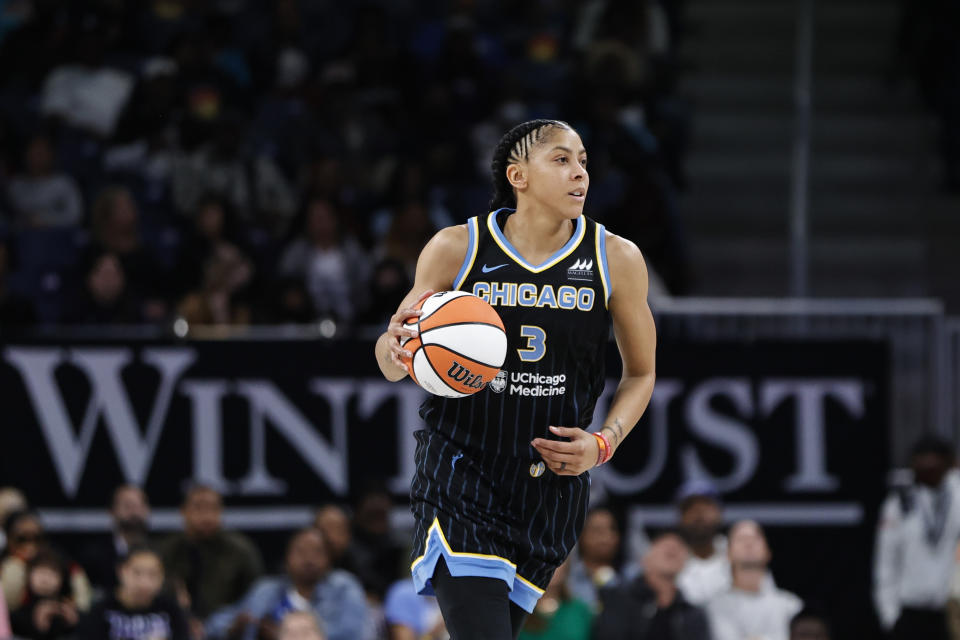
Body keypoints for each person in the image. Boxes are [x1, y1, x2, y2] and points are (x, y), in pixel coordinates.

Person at [374, 119, 657, 639]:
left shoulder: (616, 258)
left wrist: (603, 443)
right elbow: (390, 358)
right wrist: (396, 348)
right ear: (518, 176)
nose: (580, 174)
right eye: (561, 160)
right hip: (460, 468)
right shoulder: (457, 247)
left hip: (549, 487)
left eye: (584, 162)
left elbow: (641, 373)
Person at [205, 528, 368, 640]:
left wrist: (284, 635)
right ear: (286, 559)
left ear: (329, 560)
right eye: (301, 551)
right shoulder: (266, 590)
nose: (308, 559)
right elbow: (214, 624)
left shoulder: (344, 587)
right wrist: (234, 628)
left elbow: (356, 634)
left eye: (317, 551)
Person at [874, 435, 960, 639]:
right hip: (911, 612)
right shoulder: (900, 502)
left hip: (952, 609)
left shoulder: (957, 495)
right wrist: (889, 615)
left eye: (935, 467)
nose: (929, 473)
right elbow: (886, 562)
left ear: (948, 464)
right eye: (923, 468)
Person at [159, 484, 263, 621]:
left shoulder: (240, 550)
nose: (207, 516)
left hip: (226, 627)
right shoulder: (167, 550)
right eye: (199, 508)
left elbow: (256, 596)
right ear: (183, 512)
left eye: (213, 508)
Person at [592, 531, 710, 640]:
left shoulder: (692, 614)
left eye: (680, 546)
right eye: (664, 544)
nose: (674, 546)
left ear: (685, 562)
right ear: (645, 558)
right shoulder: (617, 600)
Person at [706, 520, 803, 640]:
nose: (749, 543)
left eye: (755, 538)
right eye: (741, 539)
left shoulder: (791, 605)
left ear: (767, 552)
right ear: (728, 554)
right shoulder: (715, 607)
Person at [76, 545, 189, 640]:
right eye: (137, 573)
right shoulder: (100, 611)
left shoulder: (171, 610)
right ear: (121, 571)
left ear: (162, 576)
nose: (144, 583)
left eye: (153, 574)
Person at [1, 510, 92, 613]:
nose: (30, 545)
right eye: (22, 539)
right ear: (8, 538)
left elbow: (82, 604)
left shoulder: (59, 563)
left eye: (37, 538)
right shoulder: (7, 566)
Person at [80, 485, 151, 592]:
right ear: (111, 511)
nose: (134, 512)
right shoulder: (94, 554)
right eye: (127, 506)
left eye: (139, 506)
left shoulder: (160, 551)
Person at [6, 133, 83, 228]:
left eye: (41, 152)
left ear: (51, 154)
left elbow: (75, 216)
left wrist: (45, 220)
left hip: (56, 235)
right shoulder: (15, 185)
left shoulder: (63, 183)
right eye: (33, 151)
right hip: (22, 235)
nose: (36, 157)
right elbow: (12, 217)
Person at [675, 479, 732, 605]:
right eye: (690, 507)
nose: (698, 514)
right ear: (680, 518)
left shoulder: (739, 555)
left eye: (706, 505)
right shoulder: (669, 560)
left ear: (720, 513)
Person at [10, 548, 80, 639]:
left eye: (52, 573)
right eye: (41, 572)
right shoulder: (20, 609)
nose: (45, 580)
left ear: (62, 579)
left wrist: (73, 621)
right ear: (29, 575)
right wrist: (36, 621)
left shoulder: (66, 607)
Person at [517, 558, 591, 640]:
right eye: (544, 559)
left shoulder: (580, 611)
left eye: (557, 559)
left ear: (567, 567)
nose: (551, 566)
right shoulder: (517, 607)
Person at [565, 506, 622, 609]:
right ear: (581, 536)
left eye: (612, 529)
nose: (606, 538)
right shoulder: (566, 579)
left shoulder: (630, 579)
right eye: (597, 531)